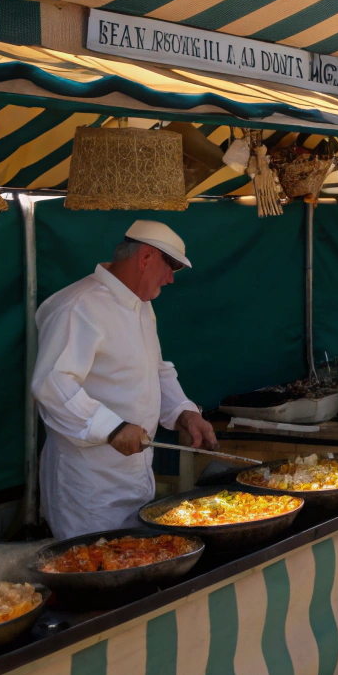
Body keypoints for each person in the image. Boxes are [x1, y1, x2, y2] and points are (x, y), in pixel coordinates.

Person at [32, 220, 218, 538]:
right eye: (170, 266)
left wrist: (185, 412)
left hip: (135, 476)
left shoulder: (141, 306)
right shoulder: (79, 306)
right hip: (89, 488)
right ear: (145, 257)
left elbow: (155, 370)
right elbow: (52, 384)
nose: (172, 279)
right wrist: (112, 427)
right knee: (92, 569)